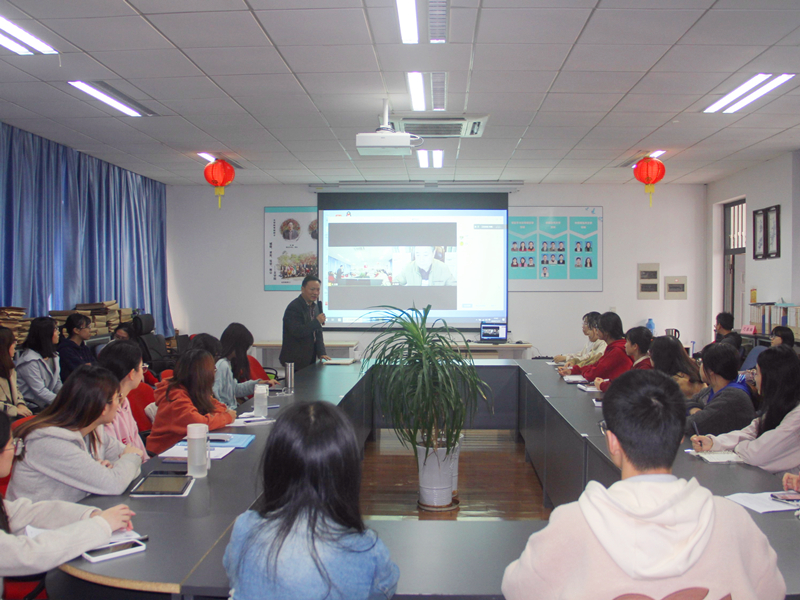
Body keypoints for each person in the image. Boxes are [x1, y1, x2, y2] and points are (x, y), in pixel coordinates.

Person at [501, 370, 786, 600]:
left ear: (612, 442)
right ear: (679, 437)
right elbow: (773, 591)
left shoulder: (572, 524)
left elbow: (518, 590)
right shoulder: (733, 520)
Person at [223, 401, 399, 600]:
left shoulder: (245, 529)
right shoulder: (368, 549)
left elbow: (234, 574)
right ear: (347, 473)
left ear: (274, 467)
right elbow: (385, 588)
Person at [0, 411, 135, 589]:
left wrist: (90, 515)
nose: (15, 451)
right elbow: (27, 554)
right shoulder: (49, 442)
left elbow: (23, 512)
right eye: (12, 445)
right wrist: (100, 526)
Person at [8, 365, 143, 503]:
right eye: (117, 397)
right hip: (41, 516)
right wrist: (126, 462)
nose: (119, 403)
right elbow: (116, 482)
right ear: (103, 407)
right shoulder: (50, 443)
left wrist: (117, 468)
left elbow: (134, 464)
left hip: (79, 511)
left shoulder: (95, 430)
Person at [692, 345, 800, 475]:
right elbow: (750, 432)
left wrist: (739, 447)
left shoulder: (796, 418)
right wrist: (714, 442)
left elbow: (757, 454)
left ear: (771, 378)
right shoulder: (780, 407)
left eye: (757, 373)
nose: (754, 379)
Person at [146, 350, 237, 455]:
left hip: (185, 447)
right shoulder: (175, 396)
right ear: (203, 375)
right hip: (164, 454)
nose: (214, 373)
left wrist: (219, 416)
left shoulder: (194, 390)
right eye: (213, 370)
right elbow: (199, 424)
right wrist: (226, 417)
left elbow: (220, 408)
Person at [684, 343, 754, 437]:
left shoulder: (732, 397)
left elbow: (691, 425)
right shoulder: (713, 388)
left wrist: (695, 413)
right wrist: (695, 410)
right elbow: (686, 403)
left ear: (711, 370)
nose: (700, 367)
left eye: (701, 363)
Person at [97, 340, 147, 455]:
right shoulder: (106, 408)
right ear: (132, 373)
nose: (143, 372)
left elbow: (135, 440)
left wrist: (146, 462)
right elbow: (113, 456)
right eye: (142, 367)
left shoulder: (124, 401)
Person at [214, 323, 277, 409]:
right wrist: (226, 412)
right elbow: (215, 397)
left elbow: (235, 389)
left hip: (231, 410)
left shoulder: (228, 363)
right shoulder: (222, 365)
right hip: (228, 412)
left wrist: (258, 384)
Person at [559, 312, 631, 382]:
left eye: (598, 327)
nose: (596, 330)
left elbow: (594, 374)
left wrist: (582, 371)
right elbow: (595, 365)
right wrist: (573, 370)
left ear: (606, 331)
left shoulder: (616, 350)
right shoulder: (612, 347)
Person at [279, 276, 331, 372]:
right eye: (312, 289)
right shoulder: (294, 307)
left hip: (310, 359)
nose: (315, 293)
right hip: (295, 360)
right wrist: (316, 322)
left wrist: (321, 353)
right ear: (303, 289)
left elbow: (318, 333)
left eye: (318, 289)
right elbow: (297, 331)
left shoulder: (315, 307)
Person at [16, 317, 62, 410]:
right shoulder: (29, 360)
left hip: (49, 403)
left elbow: (57, 383)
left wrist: (66, 397)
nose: (59, 333)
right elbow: (40, 391)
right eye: (55, 329)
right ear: (45, 333)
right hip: (33, 406)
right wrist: (62, 402)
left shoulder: (54, 356)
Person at [595, 326, 652, 392]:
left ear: (635, 346)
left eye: (627, 342)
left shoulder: (644, 368)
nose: (625, 345)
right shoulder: (639, 364)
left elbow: (626, 389)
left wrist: (602, 385)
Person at [0, 327, 32, 419]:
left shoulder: (9, 368)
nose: (15, 345)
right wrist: (14, 410)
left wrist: (20, 404)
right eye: (13, 342)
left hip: (12, 417)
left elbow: (16, 390)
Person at [57, 314, 96, 382]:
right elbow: (81, 370)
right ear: (76, 330)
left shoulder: (84, 348)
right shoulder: (65, 349)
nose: (90, 330)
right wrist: (89, 365)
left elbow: (96, 365)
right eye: (88, 327)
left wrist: (89, 365)